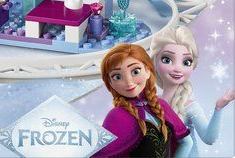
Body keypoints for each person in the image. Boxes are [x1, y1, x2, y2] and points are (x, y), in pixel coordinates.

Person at [149, 26, 235, 157]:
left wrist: (219, 108)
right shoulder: (149, 103)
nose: (178, 68)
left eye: (186, 62)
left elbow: (209, 139)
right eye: (167, 60)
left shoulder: (190, 107)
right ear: (154, 61)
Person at [95, 43, 191, 157]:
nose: (129, 82)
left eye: (135, 71)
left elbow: (186, 142)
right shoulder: (116, 116)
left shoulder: (161, 105)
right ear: (110, 83)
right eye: (117, 77)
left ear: (147, 71)